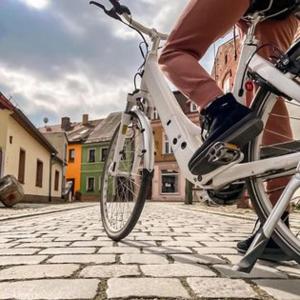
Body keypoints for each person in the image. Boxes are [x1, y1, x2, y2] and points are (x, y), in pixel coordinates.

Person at [158, 0, 299, 256]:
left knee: (173, 54)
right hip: (285, 9)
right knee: (268, 92)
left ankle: (225, 113)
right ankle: (276, 226)